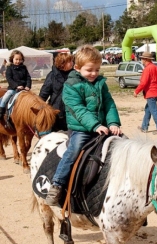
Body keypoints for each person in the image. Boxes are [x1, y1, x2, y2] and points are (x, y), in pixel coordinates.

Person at [45, 44, 122, 206]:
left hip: (102, 127)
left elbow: (109, 104)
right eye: (89, 70)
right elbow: (78, 110)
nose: (94, 73)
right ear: (77, 68)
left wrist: (113, 122)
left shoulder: (101, 83)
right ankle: (57, 184)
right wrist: (95, 125)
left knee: (124, 145)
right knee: (74, 150)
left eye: (97, 69)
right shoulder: (71, 86)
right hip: (81, 129)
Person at [39, 52, 74, 131]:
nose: (72, 63)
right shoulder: (52, 76)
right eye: (69, 61)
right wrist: (39, 108)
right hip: (56, 112)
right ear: (62, 63)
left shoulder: (75, 75)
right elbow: (44, 93)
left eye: (72, 61)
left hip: (72, 112)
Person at [133, 51, 157, 135]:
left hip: (150, 93)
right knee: (148, 109)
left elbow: (143, 83)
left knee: (154, 111)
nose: (141, 60)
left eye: (142, 59)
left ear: (145, 59)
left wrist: (136, 91)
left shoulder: (147, 69)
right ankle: (144, 127)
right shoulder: (156, 68)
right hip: (156, 93)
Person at [0, 50, 31, 119]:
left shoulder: (24, 68)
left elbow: (28, 77)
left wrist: (28, 86)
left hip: (23, 89)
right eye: (16, 59)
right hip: (13, 89)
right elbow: (9, 79)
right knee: (6, 97)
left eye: (20, 59)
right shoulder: (9, 68)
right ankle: (1, 111)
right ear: (12, 59)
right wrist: (16, 86)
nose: (18, 61)